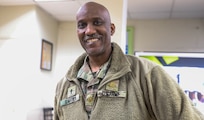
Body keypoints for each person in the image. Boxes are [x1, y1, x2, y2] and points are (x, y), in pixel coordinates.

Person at [54, 1, 204, 120]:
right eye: (82, 25)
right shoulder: (65, 84)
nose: (89, 30)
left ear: (111, 29)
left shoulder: (146, 74)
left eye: (97, 22)